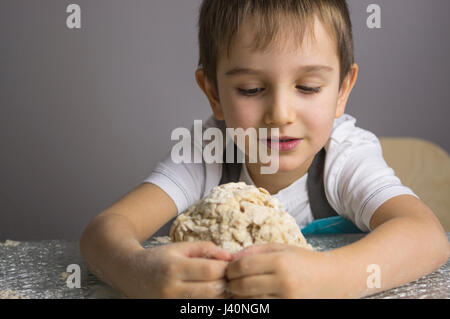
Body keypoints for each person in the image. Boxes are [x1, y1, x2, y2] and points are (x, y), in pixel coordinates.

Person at [80, 0, 449, 298]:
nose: (281, 114)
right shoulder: (208, 151)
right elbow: (104, 232)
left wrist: (330, 277)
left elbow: (426, 236)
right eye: (252, 89)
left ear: (342, 91)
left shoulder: (344, 155)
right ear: (213, 94)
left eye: (307, 87)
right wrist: (137, 273)